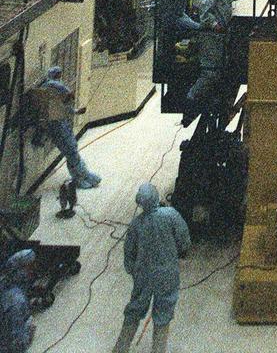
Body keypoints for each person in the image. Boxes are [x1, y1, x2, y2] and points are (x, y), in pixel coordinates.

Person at [112, 183, 190, 353]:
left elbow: (129, 253)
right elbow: (184, 239)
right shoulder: (171, 215)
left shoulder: (136, 224)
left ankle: (121, 348)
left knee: (135, 308)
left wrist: (134, 270)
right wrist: (181, 254)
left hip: (143, 275)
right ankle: (158, 349)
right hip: (167, 274)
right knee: (164, 311)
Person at [182, 0, 253, 126]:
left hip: (220, 35)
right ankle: (190, 104)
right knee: (210, 72)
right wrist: (214, 25)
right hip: (211, 36)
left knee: (219, 70)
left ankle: (211, 99)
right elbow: (204, 11)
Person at [33, 67, 100, 189]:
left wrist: (77, 111)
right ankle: (79, 178)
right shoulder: (51, 87)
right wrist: (68, 95)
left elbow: (65, 105)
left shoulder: (55, 93)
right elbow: (65, 96)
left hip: (61, 124)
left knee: (73, 150)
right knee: (71, 152)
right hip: (55, 128)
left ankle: (85, 175)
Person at [0, 249, 36, 351]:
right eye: (30, 267)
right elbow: (17, 343)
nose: (32, 271)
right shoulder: (17, 300)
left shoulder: (7, 286)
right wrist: (29, 330)